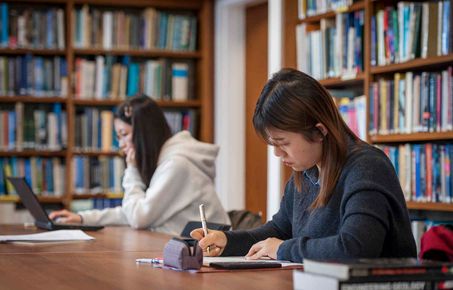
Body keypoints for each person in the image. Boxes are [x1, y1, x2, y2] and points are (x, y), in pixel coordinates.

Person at [191, 68, 416, 262]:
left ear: (319, 131)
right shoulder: (306, 171)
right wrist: (227, 241)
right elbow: (280, 230)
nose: (278, 153)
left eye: (283, 143)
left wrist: (282, 249)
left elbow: (355, 249)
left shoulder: (368, 168)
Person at [50, 96, 230, 235]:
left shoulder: (177, 165)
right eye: (118, 136)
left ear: (144, 132)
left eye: (124, 134)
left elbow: (138, 217)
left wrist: (132, 170)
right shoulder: (167, 161)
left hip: (210, 253)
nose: (121, 144)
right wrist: (82, 218)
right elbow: (133, 212)